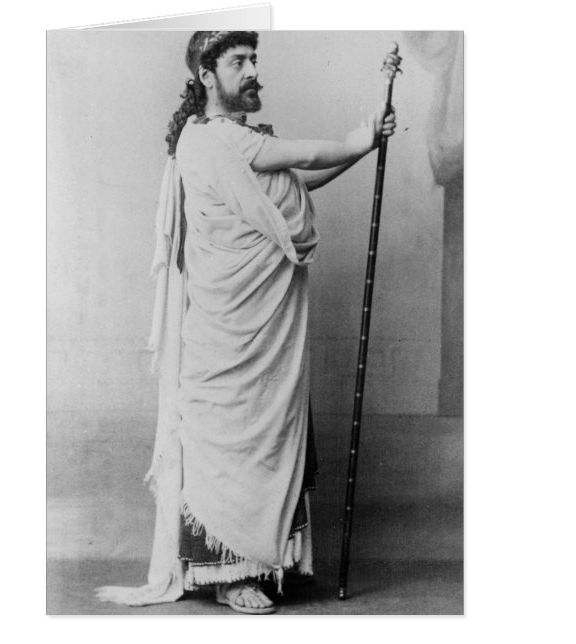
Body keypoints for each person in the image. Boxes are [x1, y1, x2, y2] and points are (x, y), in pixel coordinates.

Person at [97, 30, 397, 615]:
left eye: (254, 59)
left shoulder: (235, 141)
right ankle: (227, 575)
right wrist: (356, 141)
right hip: (228, 330)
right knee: (228, 445)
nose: (252, 69)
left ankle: (263, 561)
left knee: (265, 433)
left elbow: (297, 177)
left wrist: (359, 150)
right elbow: (303, 155)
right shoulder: (214, 140)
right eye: (238, 61)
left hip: (263, 328)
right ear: (207, 75)